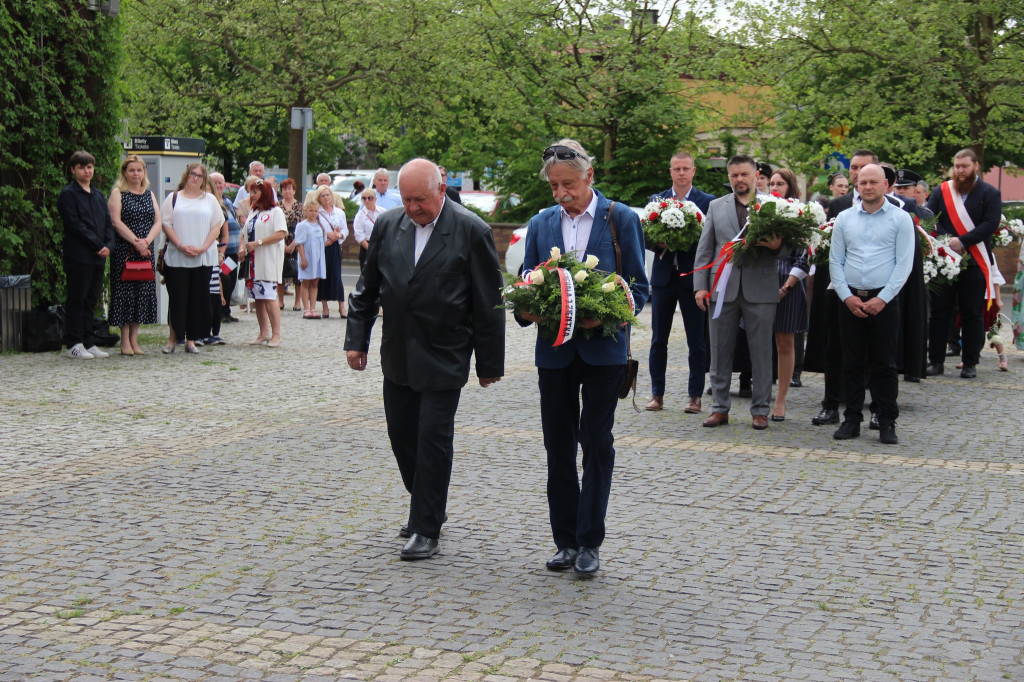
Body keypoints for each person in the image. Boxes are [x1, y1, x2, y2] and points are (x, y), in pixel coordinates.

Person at [344, 158, 505, 561]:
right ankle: (427, 503)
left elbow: (489, 304)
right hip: (397, 351)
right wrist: (356, 339)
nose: (413, 207)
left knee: (433, 440)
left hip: (445, 354)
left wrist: (488, 365)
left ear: (440, 189)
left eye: (421, 199)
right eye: (407, 199)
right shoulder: (387, 225)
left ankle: (426, 526)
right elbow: (367, 289)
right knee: (402, 437)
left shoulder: (471, 230)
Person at [517, 139, 649, 576]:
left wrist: (603, 318)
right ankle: (565, 540)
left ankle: (590, 541)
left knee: (596, 442)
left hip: (603, 353)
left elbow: (639, 289)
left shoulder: (621, 218)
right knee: (557, 445)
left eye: (568, 184)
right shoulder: (540, 224)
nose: (560, 194)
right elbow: (527, 281)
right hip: (554, 353)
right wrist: (528, 306)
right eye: (554, 187)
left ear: (589, 177)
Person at [694, 154, 788, 431]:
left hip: (761, 288)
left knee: (761, 352)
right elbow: (705, 248)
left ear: (755, 174)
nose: (739, 180)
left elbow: (788, 249)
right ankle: (719, 408)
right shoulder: (716, 206)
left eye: (744, 174)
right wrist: (700, 286)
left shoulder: (773, 205)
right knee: (720, 350)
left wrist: (775, 247)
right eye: (734, 175)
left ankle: (760, 410)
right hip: (722, 287)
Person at [829, 164, 915, 444]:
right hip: (850, 299)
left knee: (884, 364)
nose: (867, 186)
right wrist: (846, 296)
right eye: (862, 182)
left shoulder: (901, 219)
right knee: (851, 363)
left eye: (873, 182)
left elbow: (904, 265)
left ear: (886, 185)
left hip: (884, 300)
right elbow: (835, 261)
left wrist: (883, 298)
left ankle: (887, 420)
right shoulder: (844, 218)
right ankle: (851, 419)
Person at [644, 151, 715, 414]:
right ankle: (656, 394)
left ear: (693, 171)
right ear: (670, 171)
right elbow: (645, 236)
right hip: (664, 278)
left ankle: (695, 396)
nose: (681, 173)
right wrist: (661, 243)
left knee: (696, 340)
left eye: (686, 168)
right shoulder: (657, 200)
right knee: (657, 339)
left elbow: (712, 240)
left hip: (693, 278)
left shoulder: (707, 202)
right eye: (677, 169)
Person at [925, 148, 1002, 379]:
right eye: (957, 166)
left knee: (971, 313)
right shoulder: (941, 190)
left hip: (975, 261)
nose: (960, 171)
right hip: (944, 261)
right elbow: (929, 218)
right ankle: (936, 361)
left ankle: (970, 362)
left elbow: (990, 223)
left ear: (975, 166)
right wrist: (949, 241)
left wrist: (964, 241)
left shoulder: (990, 193)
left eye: (965, 166)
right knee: (939, 313)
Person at [57, 150, 115, 359]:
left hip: (99, 257)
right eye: (82, 167)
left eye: (89, 166)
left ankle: (88, 341)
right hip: (79, 255)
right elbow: (75, 225)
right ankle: (73, 342)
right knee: (77, 299)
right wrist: (98, 244)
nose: (86, 171)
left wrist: (109, 244)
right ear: (73, 170)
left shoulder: (98, 195)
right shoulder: (68, 194)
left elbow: (108, 223)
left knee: (91, 299)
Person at [160, 163, 224, 354]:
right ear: (186, 176)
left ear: (204, 180)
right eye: (192, 174)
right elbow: (166, 224)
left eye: (199, 176)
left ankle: (191, 340)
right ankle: (173, 338)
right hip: (177, 256)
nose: (195, 178)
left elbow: (216, 226)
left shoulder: (210, 200)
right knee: (177, 299)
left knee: (198, 299)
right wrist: (180, 245)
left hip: (202, 257)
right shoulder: (173, 198)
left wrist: (203, 247)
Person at [767, 168, 810, 420]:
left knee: (785, 342)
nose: (775, 186)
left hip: (789, 285)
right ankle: (762, 394)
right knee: (760, 343)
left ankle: (780, 400)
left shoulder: (801, 215)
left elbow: (804, 258)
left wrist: (786, 287)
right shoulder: (760, 212)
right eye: (771, 183)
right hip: (760, 285)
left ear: (790, 186)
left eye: (780, 183)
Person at [108, 154, 161, 356]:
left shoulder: (150, 194)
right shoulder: (118, 193)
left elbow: (158, 221)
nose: (136, 174)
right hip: (125, 250)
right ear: (125, 172)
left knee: (142, 293)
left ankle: (134, 340)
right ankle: (124, 341)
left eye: (139, 170)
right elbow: (116, 222)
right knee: (125, 293)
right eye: (132, 170)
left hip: (145, 250)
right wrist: (136, 242)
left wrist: (146, 241)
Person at [239, 180, 287, 347]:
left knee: (268, 297)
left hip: (268, 261)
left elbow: (280, 234)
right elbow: (243, 233)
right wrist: (241, 248)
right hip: (253, 262)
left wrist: (258, 243)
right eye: (251, 192)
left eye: (255, 192)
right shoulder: (253, 213)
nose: (251, 196)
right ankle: (263, 332)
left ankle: (276, 334)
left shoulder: (275, 212)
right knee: (258, 298)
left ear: (264, 193)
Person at [312, 185, 348, 318]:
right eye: (323, 196)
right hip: (323, 246)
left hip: (335, 247)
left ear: (331, 196)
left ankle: (342, 307)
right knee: (323, 276)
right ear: (319, 198)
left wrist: (338, 236)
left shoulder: (339, 212)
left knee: (337, 277)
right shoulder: (318, 213)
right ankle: (325, 307)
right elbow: (315, 229)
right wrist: (327, 235)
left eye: (328, 195)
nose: (326, 198)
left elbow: (345, 230)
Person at [210, 172, 241, 324]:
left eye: (220, 182)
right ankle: (220, 311)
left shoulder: (227, 201)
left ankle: (227, 311)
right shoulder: (211, 202)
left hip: (233, 251)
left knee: (232, 281)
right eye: (214, 182)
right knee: (223, 280)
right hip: (222, 251)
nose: (218, 185)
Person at [294, 201, 326, 318]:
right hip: (307, 256)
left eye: (316, 211)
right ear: (306, 211)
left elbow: (322, 241)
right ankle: (306, 308)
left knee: (315, 282)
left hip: (317, 257)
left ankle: (313, 308)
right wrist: (303, 259)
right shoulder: (302, 225)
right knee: (305, 282)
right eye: (311, 211)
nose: (313, 213)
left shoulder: (319, 225)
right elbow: (300, 243)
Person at [278, 178, 303, 311]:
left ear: (294, 190)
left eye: (290, 188)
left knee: (297, 273)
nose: (287, 191)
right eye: (284, 189)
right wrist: (282, 243)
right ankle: (280, 301)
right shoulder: (277, 206)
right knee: (280, 273)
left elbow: (302, 226)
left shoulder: (299, 206)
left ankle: (297, 302)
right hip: (280, 241)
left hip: (296, 242)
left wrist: (294, 243)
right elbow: (274, 226)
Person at [353, 187, 383, 271]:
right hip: (367, 246)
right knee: (367, 275)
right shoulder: (360, 215)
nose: (367, 201)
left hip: (381, 245)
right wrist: (371, 249)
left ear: (375, 199)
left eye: (370, 198)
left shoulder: (382, 212)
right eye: (364, 198)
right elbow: (359, 235)